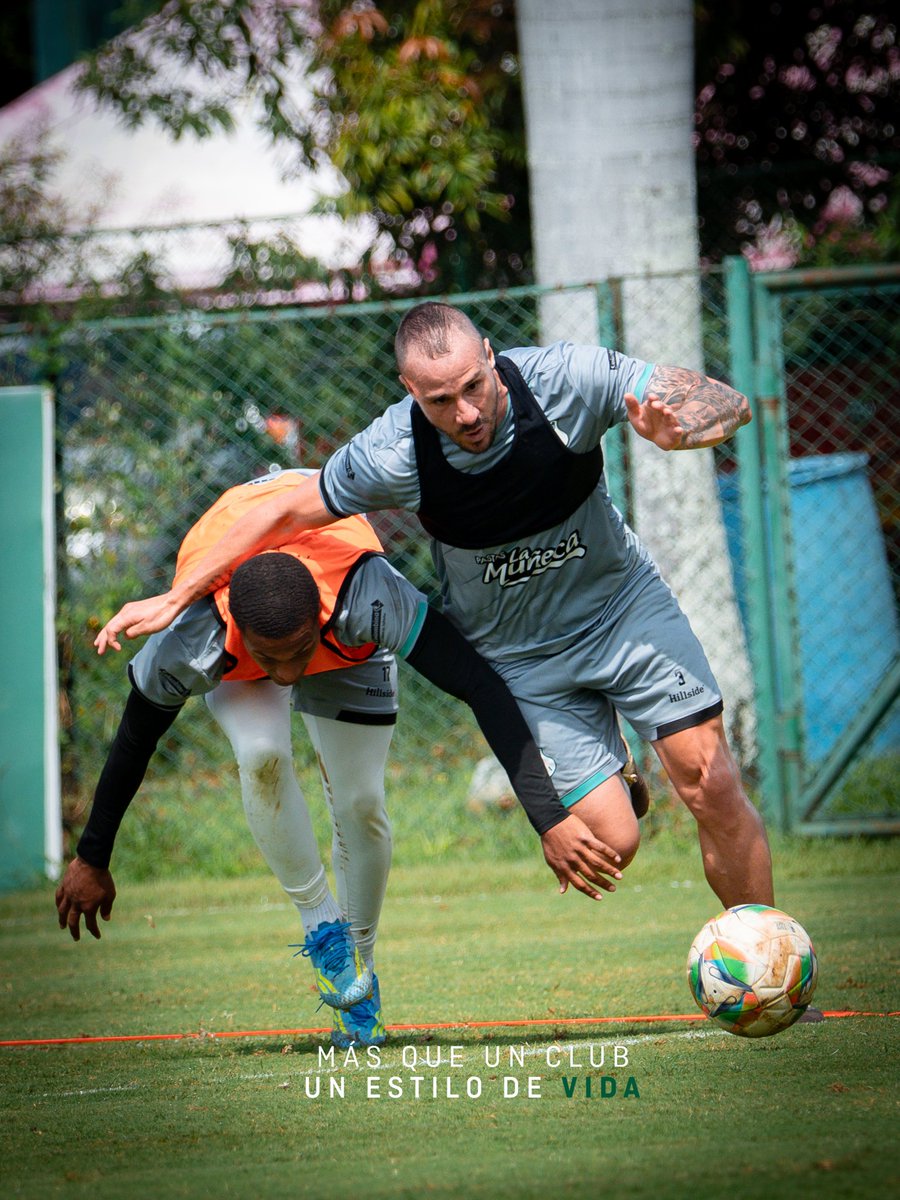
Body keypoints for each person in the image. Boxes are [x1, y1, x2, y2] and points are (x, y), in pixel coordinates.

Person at [95, 304, 773, 911]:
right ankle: (616, 770)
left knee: (709, 786)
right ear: (411, 394)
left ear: (488, 352)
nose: (467, 413)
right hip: (521, 656)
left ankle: (769, 960)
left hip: (624, 611)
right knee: (608, 842)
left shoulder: (568, 378)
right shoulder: (393, 453)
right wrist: (179, 595)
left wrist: (684, 430)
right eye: (442, 400)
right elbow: (279, 511)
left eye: (474, 385)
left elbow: (724, 402)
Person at [59, 469, 626, 1047]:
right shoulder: (192, 636)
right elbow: (135, 738)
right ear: (235, 626)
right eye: (269, 658)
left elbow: (477, 684)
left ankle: (361, 958)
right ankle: (325, 935)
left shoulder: (368, 596)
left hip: (343, 636)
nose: (285, 675)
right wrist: (92, 856)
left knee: (361, 804)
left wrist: (548, 818)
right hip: (241, 610)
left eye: (297, 652)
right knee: (260, 755)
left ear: (321, 619)